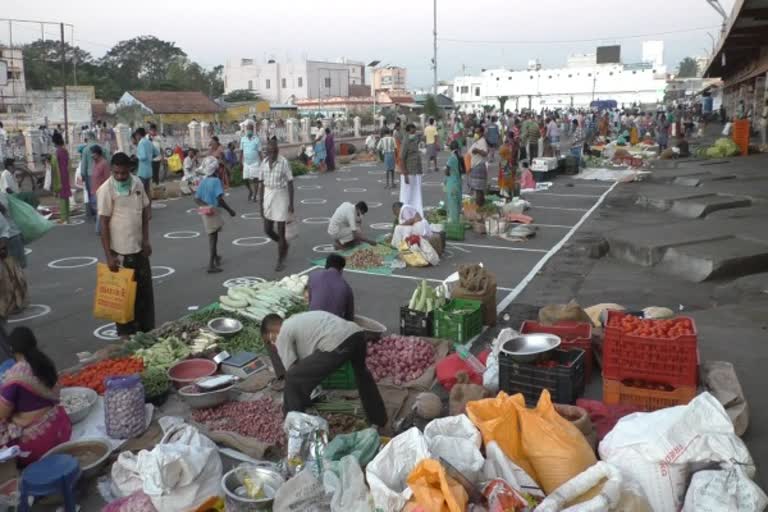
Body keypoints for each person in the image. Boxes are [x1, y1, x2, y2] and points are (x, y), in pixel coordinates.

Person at [262, 311, 387, 427]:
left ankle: (294, 427)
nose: (273, 343)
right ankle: (379, 419)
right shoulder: (298, 319)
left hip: (337, 343)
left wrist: (292, 403)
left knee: (293, 378)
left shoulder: (283, 331)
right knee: (362, 375)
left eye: (270, 340)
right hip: (357, 334)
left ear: (271, 333)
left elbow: (292, 372)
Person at [97, 152, 155, 337]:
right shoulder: (106, 190)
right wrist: (109, 256)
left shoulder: (137, 183)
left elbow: (145, 212)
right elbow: (103, 224)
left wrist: (146, 240)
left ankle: (147, 330)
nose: (121, 177)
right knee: (124, 298)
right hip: (120, 253)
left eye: (124, 173)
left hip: (139, 249)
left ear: (129, 169)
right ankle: (126, 334)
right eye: (117, 173)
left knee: (144, 294)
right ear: (112, 171)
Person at [0, 327, 71, 465]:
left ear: (12, 349)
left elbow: (2, 412)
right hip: (60, 426)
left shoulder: (15, 375)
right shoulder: (44, 363)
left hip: (38, 442)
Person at [257, 137, 294, 272]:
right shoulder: (264, 163)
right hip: (268, 195)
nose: (271, 153)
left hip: (281, 195)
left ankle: (280, 260)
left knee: (281, 229)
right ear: (266, 151)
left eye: (273, 151)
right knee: (267, 229)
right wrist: (260, 203)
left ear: (277, 150)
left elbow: (290, 182)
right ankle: (283, 243)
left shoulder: (284, 162)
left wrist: (291, 203)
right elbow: (261, 183)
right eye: (269, 151)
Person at [195, 156, 236, 273]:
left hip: (204, 211)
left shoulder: (203, 181)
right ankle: (211, 265)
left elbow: (196, 199)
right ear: (216, 170)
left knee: (212, 234)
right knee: (213, 238)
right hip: (213, 211)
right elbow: (220, 200)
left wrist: (205, 206)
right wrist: (230, 210)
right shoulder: (216, 181)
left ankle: (216, 257)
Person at [0, 201, 27, 318]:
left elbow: (4, 228)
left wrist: (3, 244)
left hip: (9, 240)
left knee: (12, 275)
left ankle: (16, 303)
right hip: (9, 239)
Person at [307, 254, 354, 320]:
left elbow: (310, 301)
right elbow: (349, 317)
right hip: (332, 325)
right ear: (341, 270)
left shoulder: (313, 276)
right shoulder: (346, 288)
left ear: (326, 266)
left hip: (311, 320)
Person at [399, 123, 424, 215]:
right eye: (413, 130)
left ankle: (416, 213)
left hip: (416, 171)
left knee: (416, 193)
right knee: (407, 195)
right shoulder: (406, 141)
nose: (415, 131)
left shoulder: (413, 140)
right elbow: (401, 158)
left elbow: (420, 135)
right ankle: (405, 214)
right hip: (408, 172)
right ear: (409, 130)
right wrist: (405, 174)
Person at [50, 132, 72, 224]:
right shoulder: (65, 150)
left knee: (62, 197)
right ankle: (67, 217)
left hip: (60, 175)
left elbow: (55, 166)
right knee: (66, 196)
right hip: (65, 174)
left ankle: (63, 218)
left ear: (55, 142)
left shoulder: (58, 152)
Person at [133, 127, 158, 197]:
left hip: (142, 171)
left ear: (138, 134)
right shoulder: (149, 142)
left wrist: (137, 156)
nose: (136, 137)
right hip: (149, 170)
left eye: (136, 136)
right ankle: (148, 207)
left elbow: (143, 157)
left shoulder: (141, 143)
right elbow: (157, 153)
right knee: (147, 191)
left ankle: (143, 207)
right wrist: (150, 157)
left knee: (141, 191)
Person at [239, 122, 261, 202]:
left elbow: (259, 152)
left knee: (255, 179)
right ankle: (250, 191)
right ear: (246, 130)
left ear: (253, 130)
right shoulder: (243, 139)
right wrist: (240, 162)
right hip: (246, 163)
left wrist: (262, 163)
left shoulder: (257, 139)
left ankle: (255, 195)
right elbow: (241, 151)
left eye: (250, 129)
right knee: (245, 179)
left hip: (255, 162)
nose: (249, 131)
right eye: (248, 129)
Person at [444, 140, 464, 225]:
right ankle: (457, 220)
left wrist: (447, 174)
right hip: (458, 181)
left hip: (452, 182)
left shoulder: (452, 157)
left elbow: (447, 171)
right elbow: (464, 170)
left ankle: (453, 222)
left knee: (452, 203)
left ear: (450, 148)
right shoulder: (460, 156)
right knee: (458, 202)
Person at [469, 126, 489, 207]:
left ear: (481, 133)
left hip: (479, 166)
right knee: (478, 189)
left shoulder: (482, 141)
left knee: (478, 189)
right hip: (476, 166)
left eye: (477, 132)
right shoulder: (477, 141)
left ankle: (478, 206)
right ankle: (480, 205)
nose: (475, 134)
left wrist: (477, 150)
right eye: (475, 132)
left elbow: (485, 153)